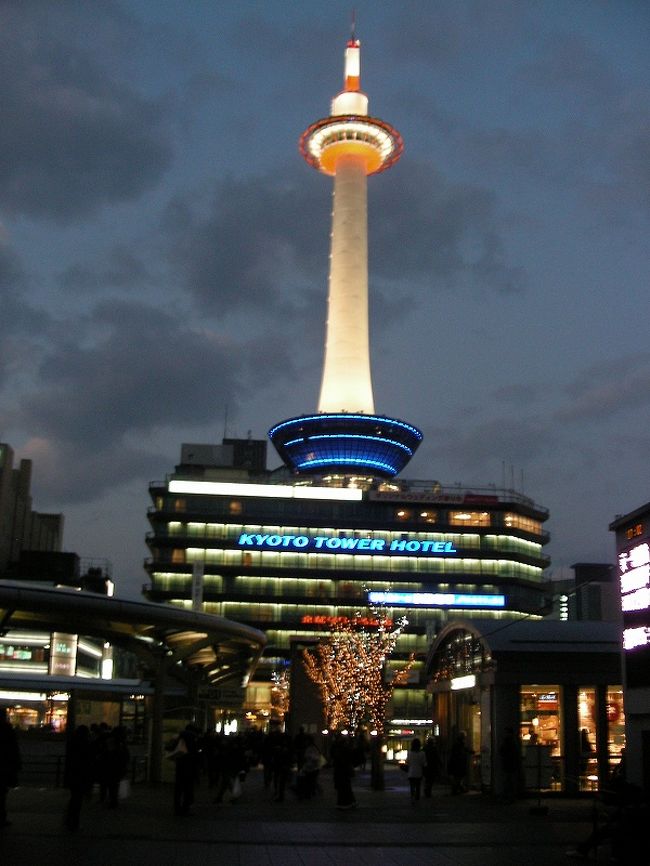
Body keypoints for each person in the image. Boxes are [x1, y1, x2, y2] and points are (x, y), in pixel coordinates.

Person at [64, 724, 94, 831]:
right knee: (77, 800)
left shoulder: (72, 743)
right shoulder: (86, 744)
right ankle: (74, 822)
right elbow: (88, 762)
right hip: (81, 776)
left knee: (74, 799)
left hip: (73, 775)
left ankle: (69, 820)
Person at [0, 707, 21, 829]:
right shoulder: (7, 729)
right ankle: (1, 818)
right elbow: (13, 749)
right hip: (4, 766)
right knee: (2, 795)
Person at [331, 733, 356, 810]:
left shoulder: (338, 749)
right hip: (344, 771)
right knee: (346, 787)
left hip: (341, 771)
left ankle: (344, 803)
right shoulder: (345, 749)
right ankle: (349, 802)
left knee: (343, 788)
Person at [499, 727, 522, 803]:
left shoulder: (507, 742)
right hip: (512, 764)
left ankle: (508, 797)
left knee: (507, 781)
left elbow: (502, 751)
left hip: (508, 764)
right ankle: (511, 797)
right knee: (510, 781)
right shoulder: (514, 741)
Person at [406, 737, 427, 804]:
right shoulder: (422, 753)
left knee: (412, 786)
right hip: (419, 772)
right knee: (418, 786)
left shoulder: (409, 753)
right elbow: (424, 763)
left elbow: (407, 762)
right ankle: (417, 798)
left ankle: (412, 797)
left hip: (411, 772)